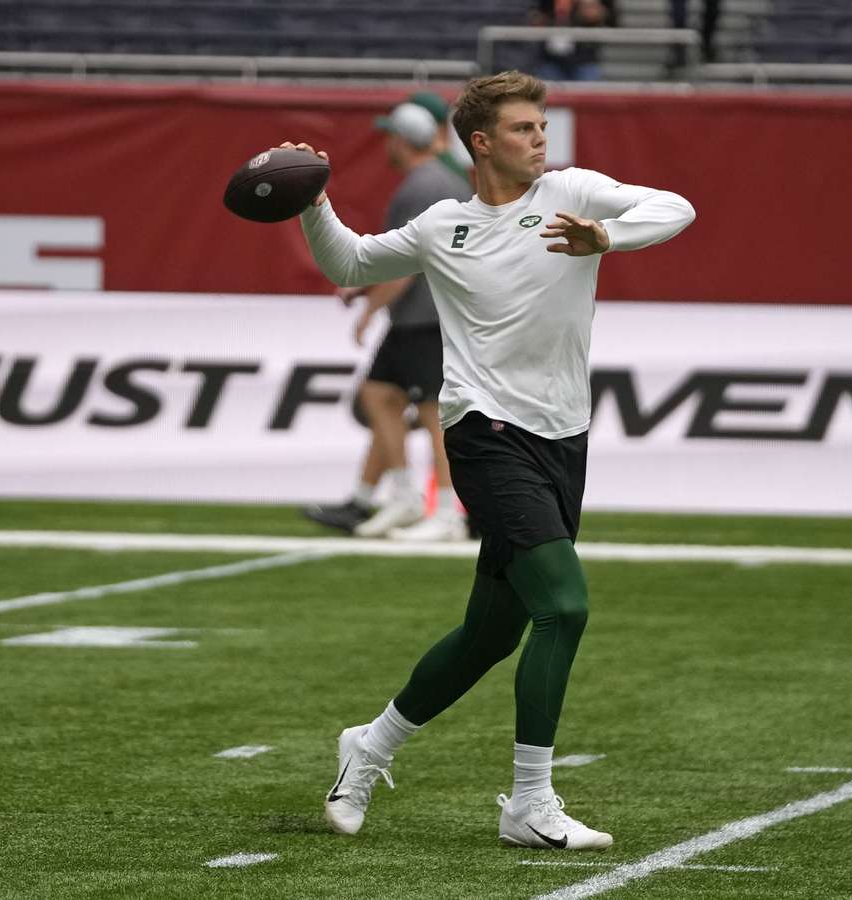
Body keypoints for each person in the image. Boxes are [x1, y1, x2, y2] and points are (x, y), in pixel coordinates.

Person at [284, 69, 693, 849]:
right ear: (481, 142)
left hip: (562, 437)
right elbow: (350, 264)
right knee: (564, 607)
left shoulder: (572, 192)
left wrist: (608, 235)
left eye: (542, 126)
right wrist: (314, 203)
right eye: (523, 128)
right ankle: (529, 803)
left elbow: (674, 207)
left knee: (490, 634)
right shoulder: (444, 225)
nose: (541, 138)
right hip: (485, 432)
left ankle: (366, 749)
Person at [302, 100, 473, 541]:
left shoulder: (423, 185)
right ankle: (401, 494)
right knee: (380, 395)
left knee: (437, 414)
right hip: (425, 314)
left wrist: (371, 306)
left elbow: (409, 263)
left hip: (430, 316)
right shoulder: (440, 178)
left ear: (401, 139)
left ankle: (448, 512)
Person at [530, 0, 618, 82]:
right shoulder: (545, 4)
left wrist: (598, 15)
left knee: (589, 80)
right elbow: (533, 15)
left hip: (584, 59)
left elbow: (612, 22)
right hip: (549, 60)